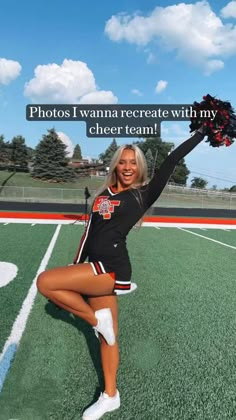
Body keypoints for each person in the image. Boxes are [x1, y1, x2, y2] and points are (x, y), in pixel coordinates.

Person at [37, 128, 205, 419]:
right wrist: (75, 265)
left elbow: (172, 160)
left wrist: (201, 133)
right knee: (108, 337)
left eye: (134, 163)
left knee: (45, 282)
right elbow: (90, 234)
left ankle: (94, 320)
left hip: (112, 268)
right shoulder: (104, 196)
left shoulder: (143, 195)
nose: (128, 167)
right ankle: (110, 396)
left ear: (140, 167)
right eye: (123, 162)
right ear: (115, 164)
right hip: (92, 266)